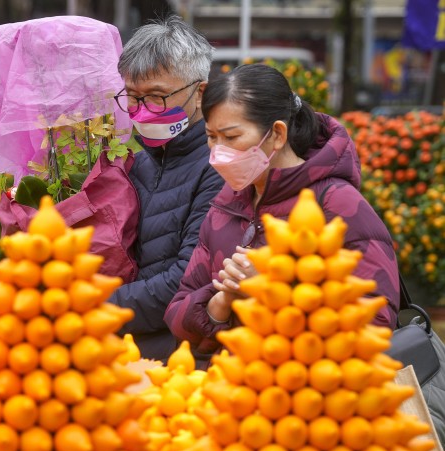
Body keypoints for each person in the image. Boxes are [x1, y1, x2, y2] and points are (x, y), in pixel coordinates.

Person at [164, 63, 400, 360]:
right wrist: (223, 300)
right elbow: (178, 315)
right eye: (212, 137)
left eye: (232, 137)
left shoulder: (336, 204)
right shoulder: (227, 202)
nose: (218, 152)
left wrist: (276, 289)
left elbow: (377, 322)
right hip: (230, 391)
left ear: (277, 134)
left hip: (309, 394)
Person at [107, 16, 225, 362]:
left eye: (157, 97)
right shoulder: (139, 161)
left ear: (200, 92)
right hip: (132, 351)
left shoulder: (218, 167)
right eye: (132, 97)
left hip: (184, 359)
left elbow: (187, 279)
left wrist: (95, 308)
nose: (141, 111)